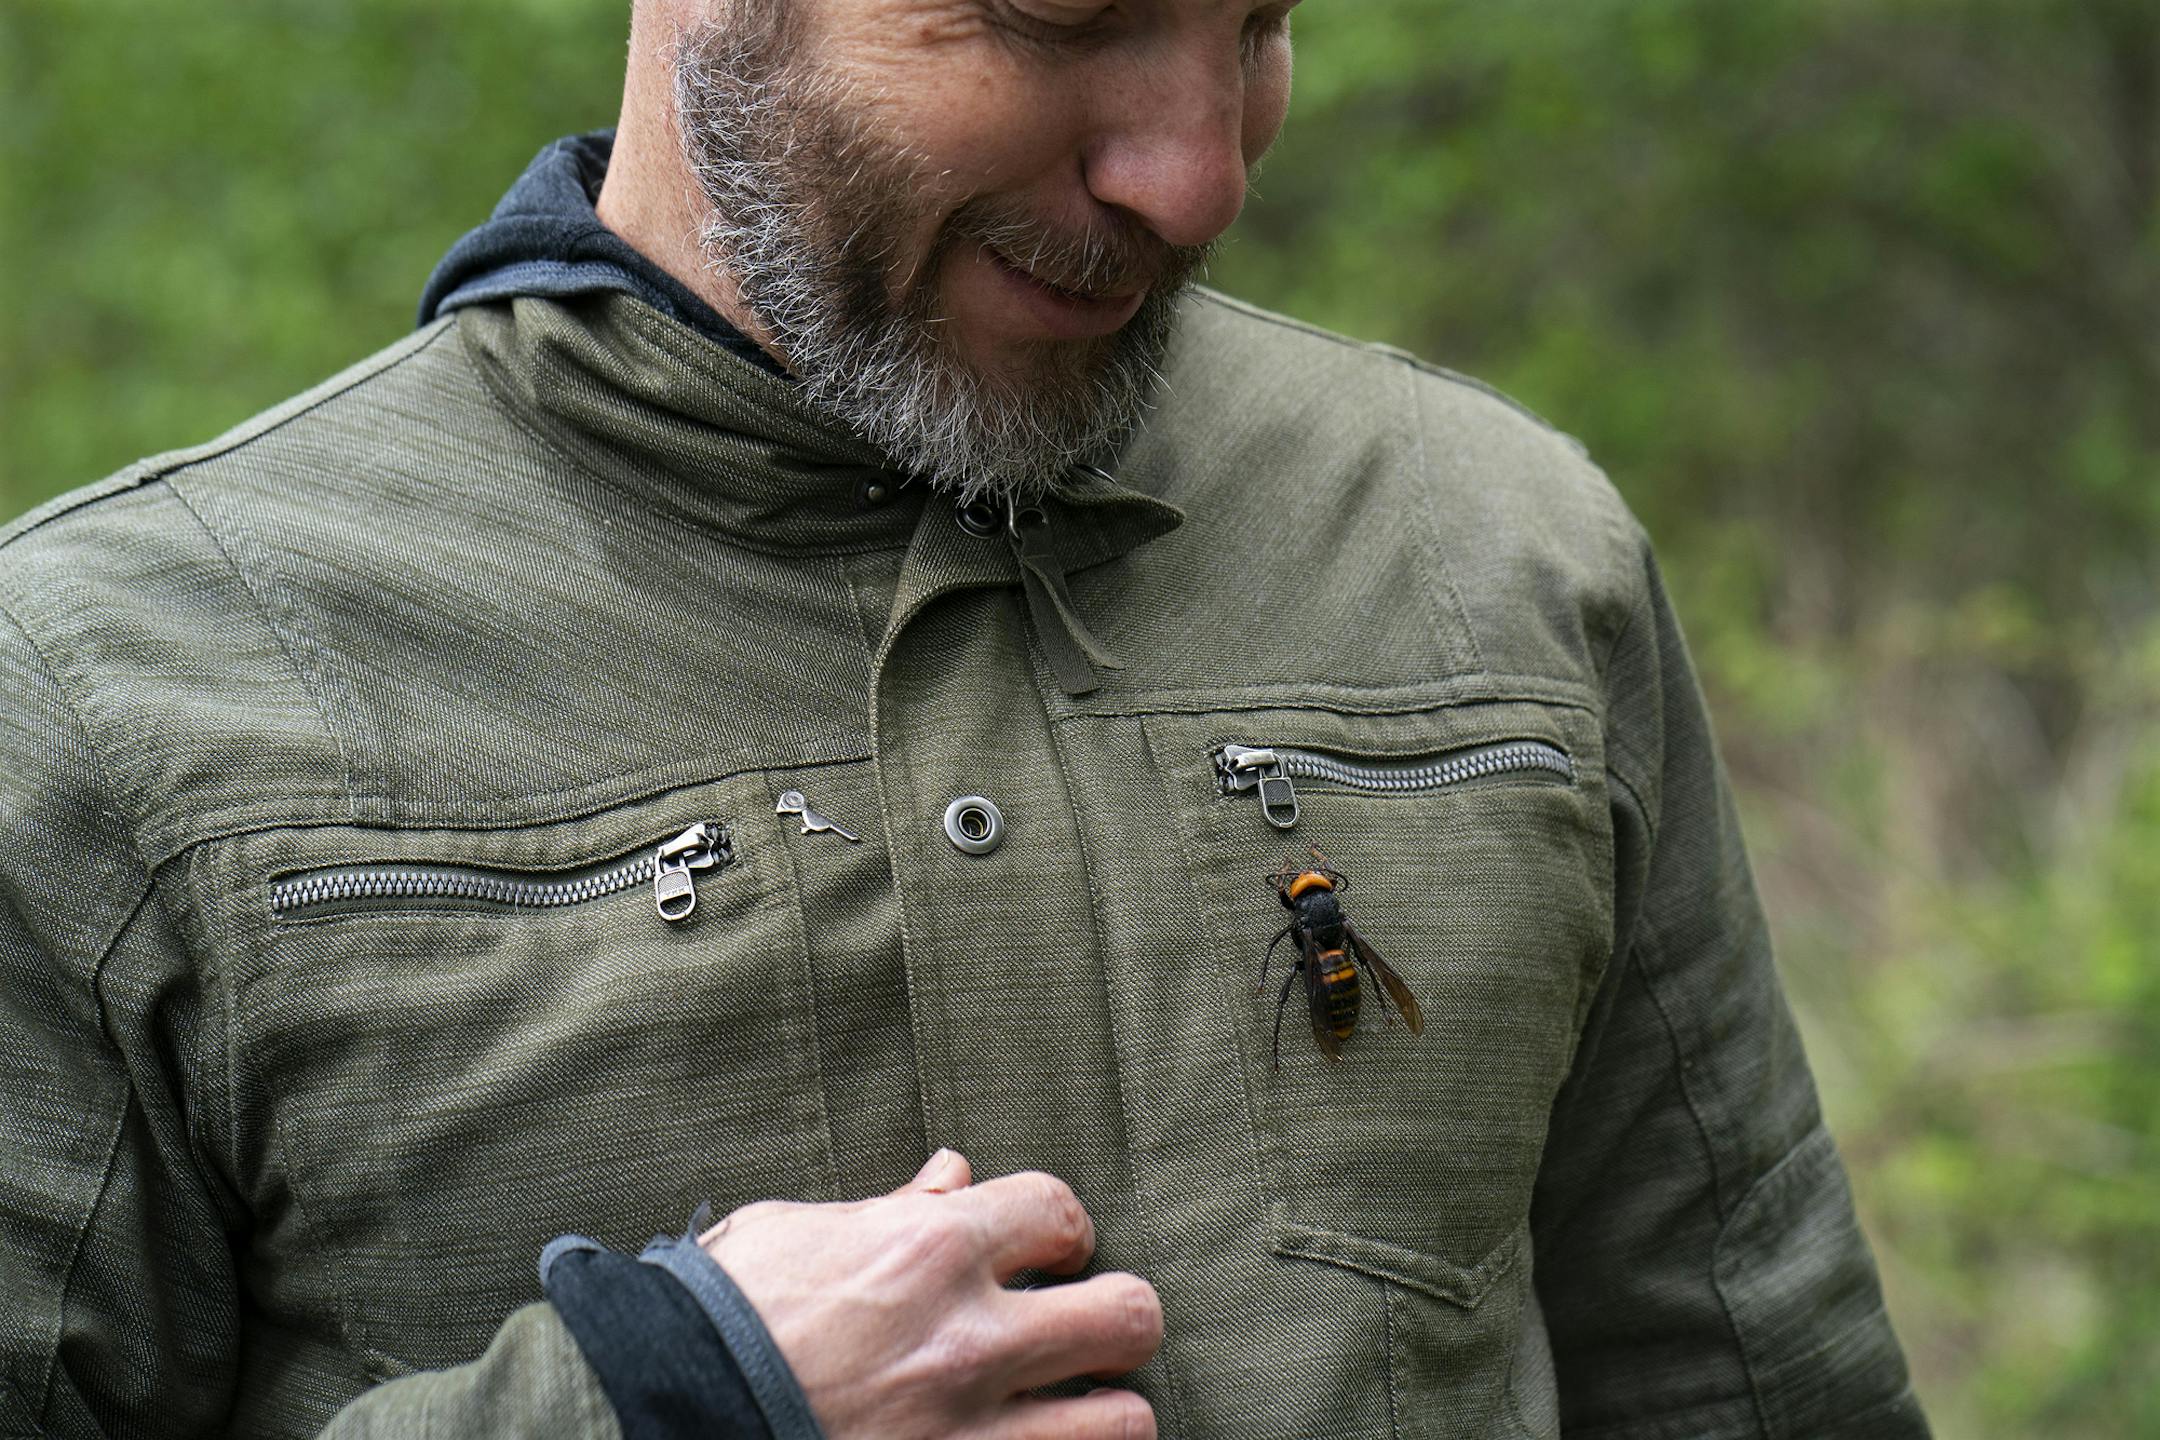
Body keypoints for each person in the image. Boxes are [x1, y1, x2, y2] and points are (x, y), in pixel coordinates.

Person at [0, 1, 1931, 1436]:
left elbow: (1752, 1385)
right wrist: (665, 1406)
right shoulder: (110, 693)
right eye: (1066, 15)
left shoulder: (1503, 556)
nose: (1197, 172)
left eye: (1259, 26)